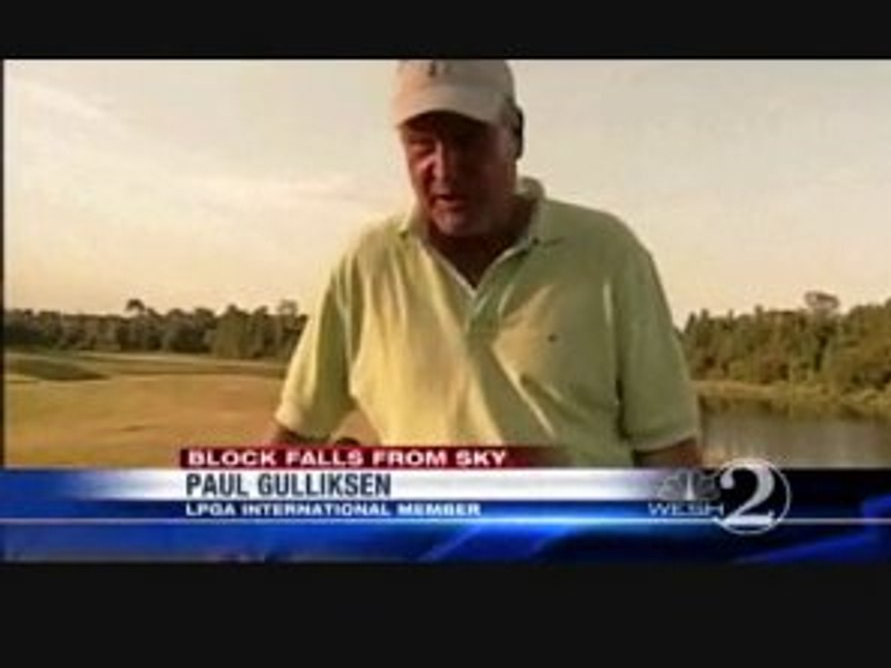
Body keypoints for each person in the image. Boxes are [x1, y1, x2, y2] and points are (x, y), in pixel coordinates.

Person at [269, 60, 701, 467]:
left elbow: (668, 451)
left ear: (515, 134)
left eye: (466, 139)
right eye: (422, 144)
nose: (444, 168)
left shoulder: (609, 254)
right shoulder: (367, 264)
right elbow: (297, 434)